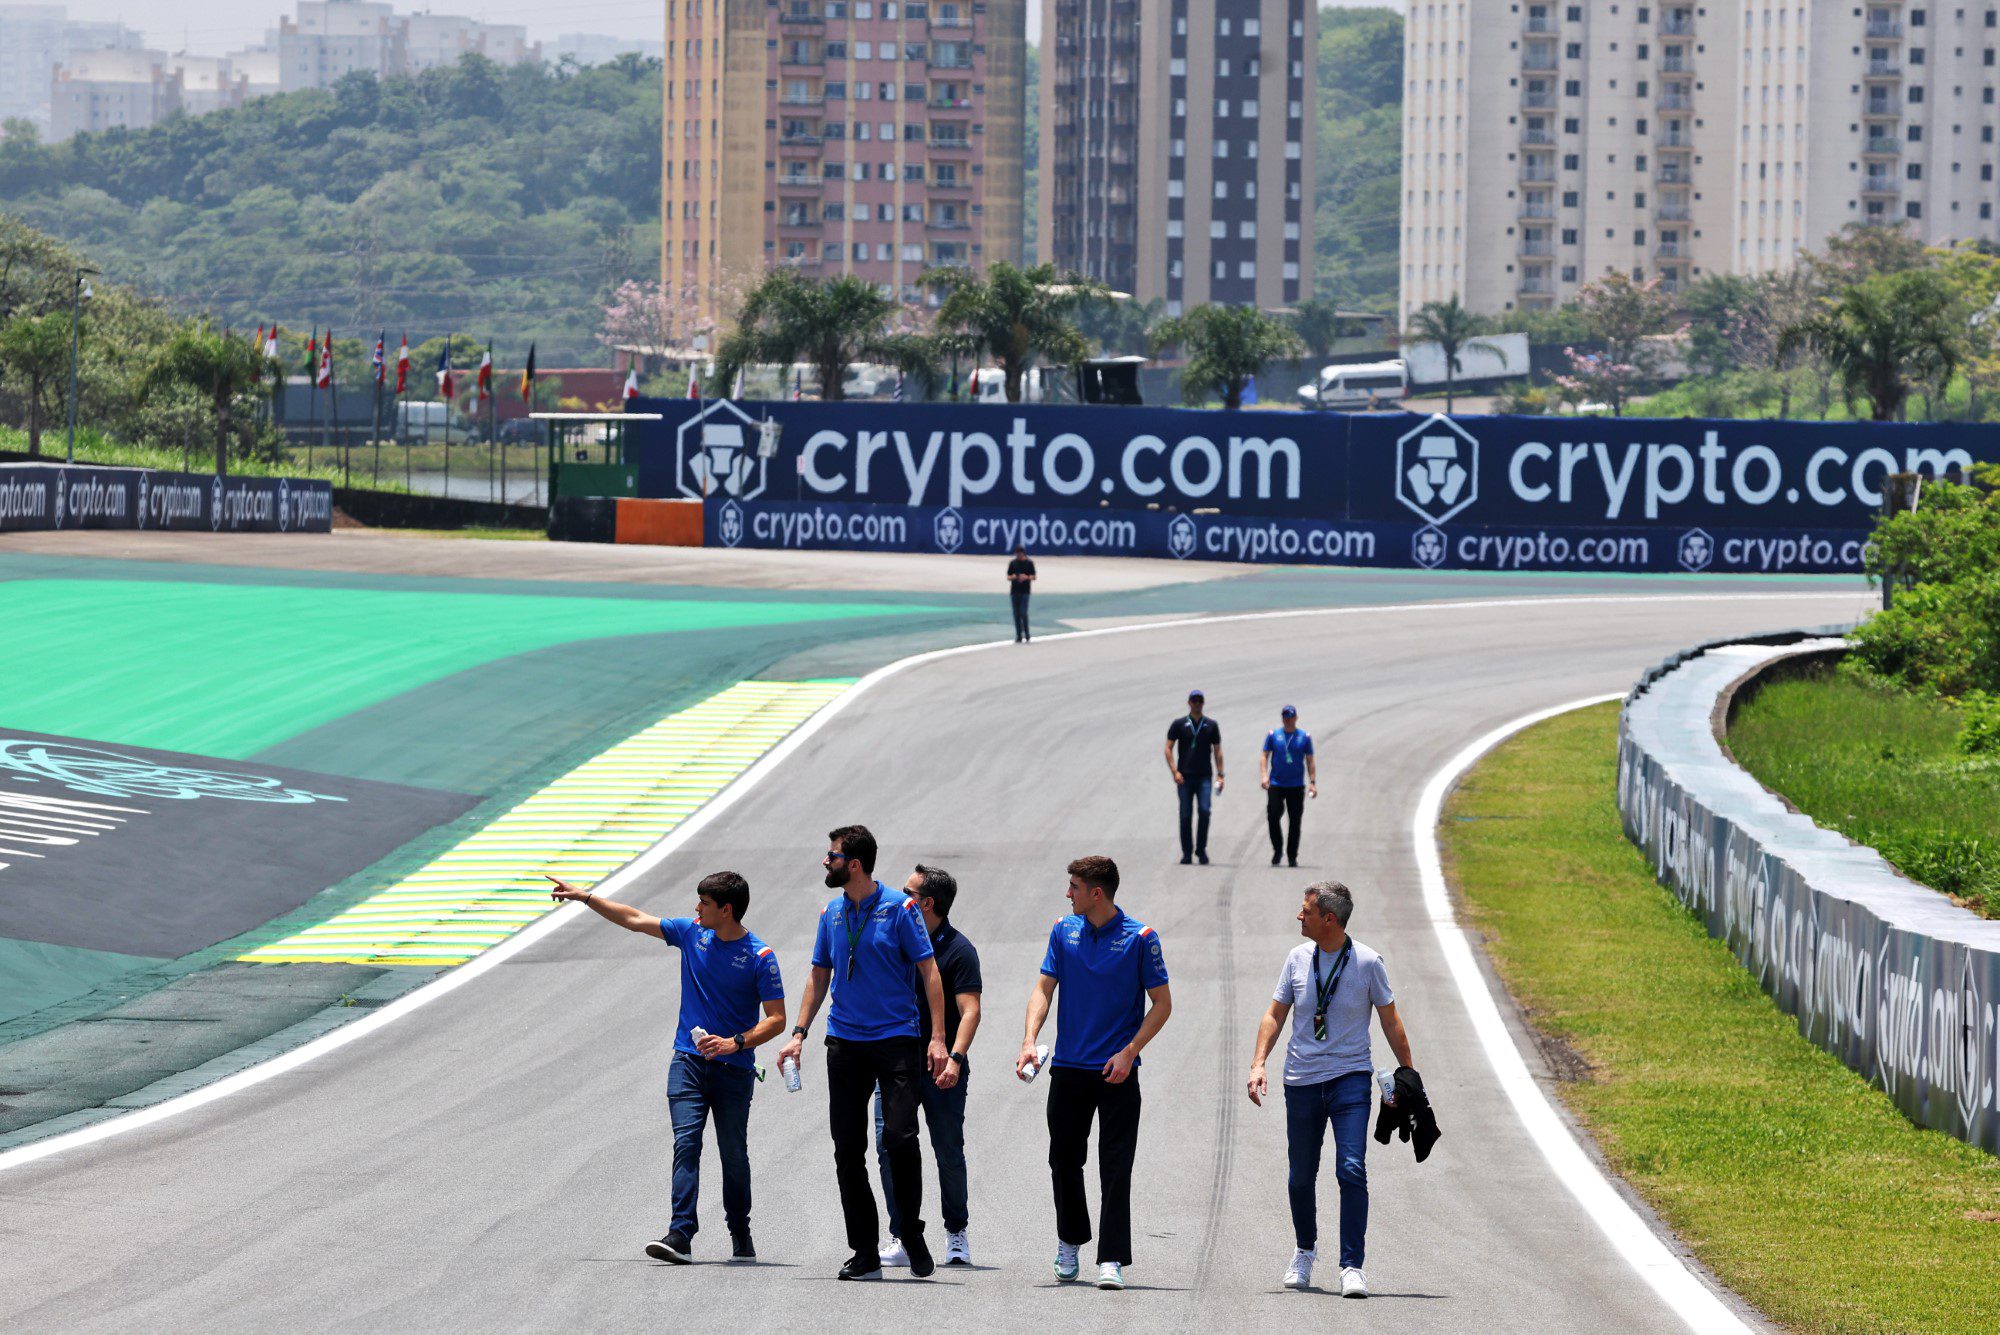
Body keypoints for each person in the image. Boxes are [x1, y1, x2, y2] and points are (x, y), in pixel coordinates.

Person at [548, 871, 786, 1265]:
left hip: (735, 1070)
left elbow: (776, 1019)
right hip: (687, 1063)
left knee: (733, 1154)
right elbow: (635, 919)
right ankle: (681, 1234)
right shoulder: (693, 933)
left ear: (726, 910)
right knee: (686, 1144)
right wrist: (586, 897)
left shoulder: (760, 956)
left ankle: (739, 1230)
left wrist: (735, 1042)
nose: (696, 909)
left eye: (704, 904)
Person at [777, 825, 952, 1281]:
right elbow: (818, 975)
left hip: (896, 1041)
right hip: (846, 1043)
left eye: (831, 856)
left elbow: (929, 972)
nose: (825, 862)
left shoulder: (901, 908)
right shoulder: (831, 913)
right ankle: (865, 1251)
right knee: (847, 1149)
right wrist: (799, 1033)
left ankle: (910, 1231)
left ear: (853, 864)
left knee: (899, 1138)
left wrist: (936, 1038)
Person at [1245, 881, 1413, 1299]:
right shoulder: (1296, 959)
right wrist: (1258, 1062)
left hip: (1350, 1080)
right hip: (1301, 1082)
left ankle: (1351, 1266)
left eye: (1306, 911)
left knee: (1351, 1169)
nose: (1299, 916)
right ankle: (1305, 1251)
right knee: (1300, 1177)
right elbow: (1275, 1013)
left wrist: (1409, 1073)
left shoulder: (1369, 962)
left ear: (1329, 919)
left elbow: (1390, 1020)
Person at [1017, 855, 1173, 1291]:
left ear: (1096, 892)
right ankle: (1070, 1241)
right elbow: (1044, 988)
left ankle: (1111, 1259)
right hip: (1068, 1068)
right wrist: (1030, 1040)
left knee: (1116, 1165)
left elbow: (1162, 1004)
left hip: (1118, 1072)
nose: (1068, 894)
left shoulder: (1140, 938)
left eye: (1074, 886)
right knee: (1064, 1160)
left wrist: (1130, 1052)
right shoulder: (1063, 931)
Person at [876, 864, 983, 1269]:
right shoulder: (896, 941)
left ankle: (956, 1231)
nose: (900, 897)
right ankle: (902, 1234)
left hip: (942, 1070)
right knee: (890, 1150)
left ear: (927, 903)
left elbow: (970, 1011)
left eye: (908, 892)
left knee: (947, 1151)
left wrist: (954, 1059)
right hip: (893, 1066)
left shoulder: (959, 950)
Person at [1164, 689, 1225, 865]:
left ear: (1203, 703)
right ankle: (1187, 852)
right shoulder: (1179, 724)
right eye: (1194, 701)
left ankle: (1201, 849)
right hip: (1184, 777)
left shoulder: (1211, 725)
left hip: (1204, 776)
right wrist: (1174, 771)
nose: (1197, 703)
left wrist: (1220, 775)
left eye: (1199, 701)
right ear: (1189, 703)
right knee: (1185, 814)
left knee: (1205, 812)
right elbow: (1168, 747)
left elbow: (1217, 750)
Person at [1259, 705, 1318, 867]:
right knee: (1273, 815)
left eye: (1291, 717)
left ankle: (1292, 855)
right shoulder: (1274, 736)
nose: (1288, 720)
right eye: (1286, 717)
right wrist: (1264, 776)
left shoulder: (1304, 737)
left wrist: (1312, 783)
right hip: (1276, 783)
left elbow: (1310, 760)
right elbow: (1264, 756)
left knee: (1295, 821)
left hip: (1296, 785)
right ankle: (1277, 849)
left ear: (1296, 718)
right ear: (1282, 718)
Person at [1007, 545, 1037, 642]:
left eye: (1020, 553)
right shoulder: (1013, 563)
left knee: (1023, 612)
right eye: (1017, 554)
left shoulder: (1029, 563)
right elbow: (1008, 576)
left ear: (1023, 553)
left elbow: (1034, 576)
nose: (1018, 555)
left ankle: (1027, 633)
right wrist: (1014, 577)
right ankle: (1018, 635)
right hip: (1014, 591)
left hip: (1025, 591)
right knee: (1016, 614)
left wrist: (1027, 577)